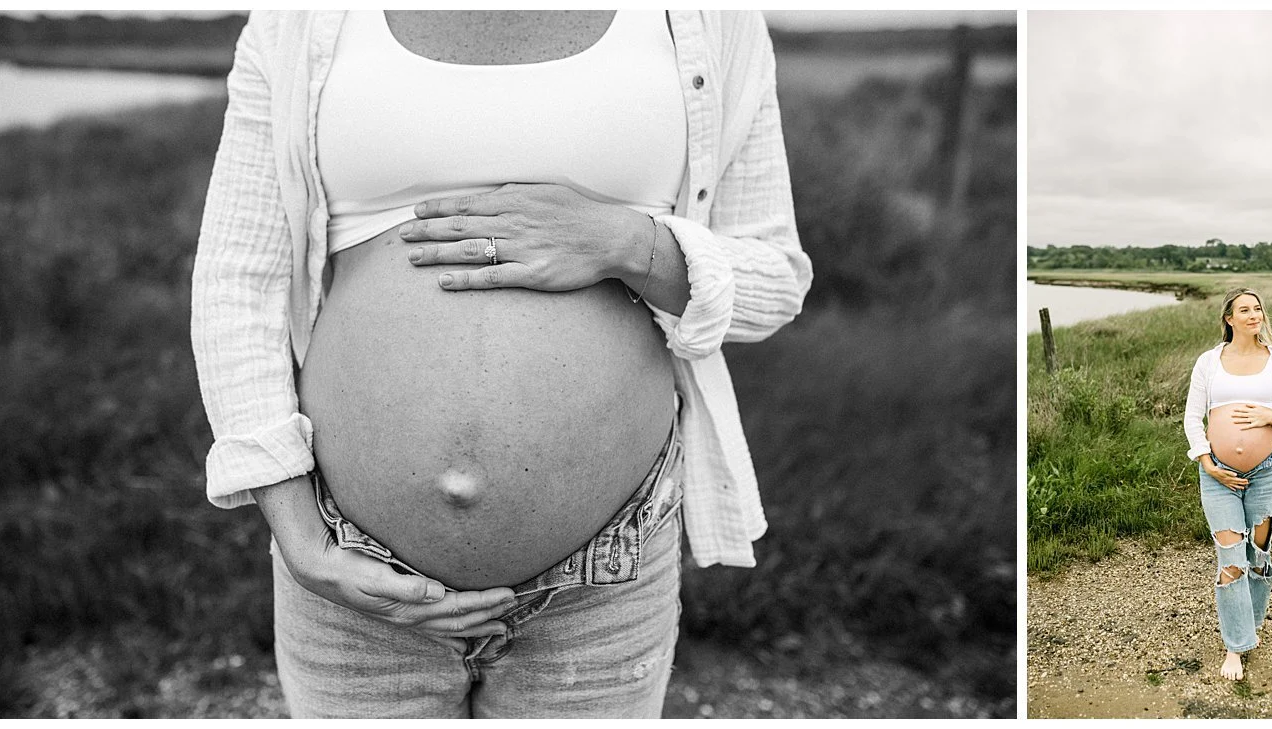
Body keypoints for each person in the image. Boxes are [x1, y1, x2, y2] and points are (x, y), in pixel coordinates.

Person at [192, 10, 811, 717]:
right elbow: (238, 276)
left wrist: (630, 243)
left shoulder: (711, 20)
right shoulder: (299, 20)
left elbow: (775, 281)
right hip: (349, 566)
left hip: (603, 575)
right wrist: (299, 535)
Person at [1181, 287, 1272, 681]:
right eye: (1244, 310)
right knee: (1231, 558)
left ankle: (1250, 624)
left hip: (1267, 470)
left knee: (1259, 552)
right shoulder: (1209, 362)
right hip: (1217, 473)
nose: (1254, 315)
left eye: (1258, 308)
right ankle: (1236, 645)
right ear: (1229, 319)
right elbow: (1192, 417)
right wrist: (1206, 461)